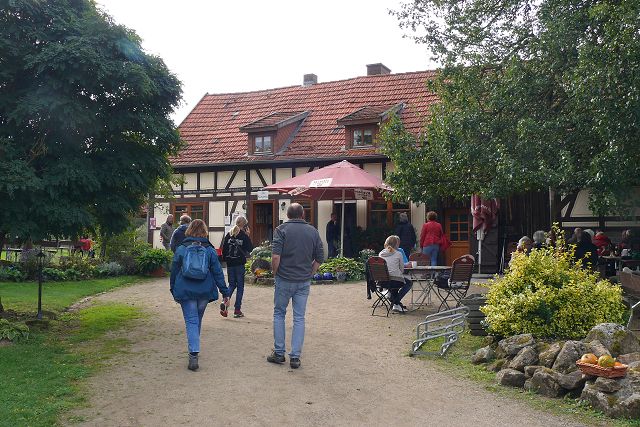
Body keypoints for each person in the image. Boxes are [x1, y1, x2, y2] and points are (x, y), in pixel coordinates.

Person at [267, 203, 324, 370]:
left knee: (279, 314)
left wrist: (275, 273)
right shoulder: (313, 231)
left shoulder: (281, 230)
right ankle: (295, 357)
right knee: (299, 318)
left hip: (284, 279)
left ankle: (279, 353)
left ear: (288, 215)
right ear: (303, 214)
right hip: (303, 281)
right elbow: (320, 257)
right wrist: (310, 273)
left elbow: (275, 257)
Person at [169, 219, 230, 371]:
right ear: (204, 231)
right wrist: (225, 292)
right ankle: (194, 349)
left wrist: (173, 288)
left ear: (189, 230)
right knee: (197, 319)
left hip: (186, 290)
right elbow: (218, 272)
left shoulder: (182, 248)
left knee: (191, 321)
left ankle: (193, 353)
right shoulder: (209, 249)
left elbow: (174, 270)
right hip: (204, 291)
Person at [221, 216, 253, 318]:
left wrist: (226, 260)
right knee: (240, 287)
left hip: (230, 264)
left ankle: (225, 301)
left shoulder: (229, 234)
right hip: (239, 264)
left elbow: (224, 249)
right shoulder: (243, 235)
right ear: (244, 225)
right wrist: (248, 236)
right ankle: (237, 310)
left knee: (231, 285)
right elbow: (250, 248)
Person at [379, 235, 413, 313]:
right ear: (396, 244)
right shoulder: (398, 254)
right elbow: (401, 270)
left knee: (394, 283)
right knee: (408, 283)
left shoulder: (381, 254)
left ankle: (394, 301)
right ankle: (395, 301)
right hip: (395, 281)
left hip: (382, 281)